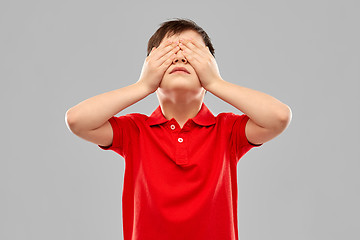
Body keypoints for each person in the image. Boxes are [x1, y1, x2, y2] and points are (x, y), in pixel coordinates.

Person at [65, 18, 292, 240]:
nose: (180, 58)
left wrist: (215, 83)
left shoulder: (226, 130)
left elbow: (278, 117)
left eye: (193, 53)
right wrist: (142, 85)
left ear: (209, 67)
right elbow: (77, 120)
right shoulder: (136, 131)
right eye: (168, 54)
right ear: (150, 68)